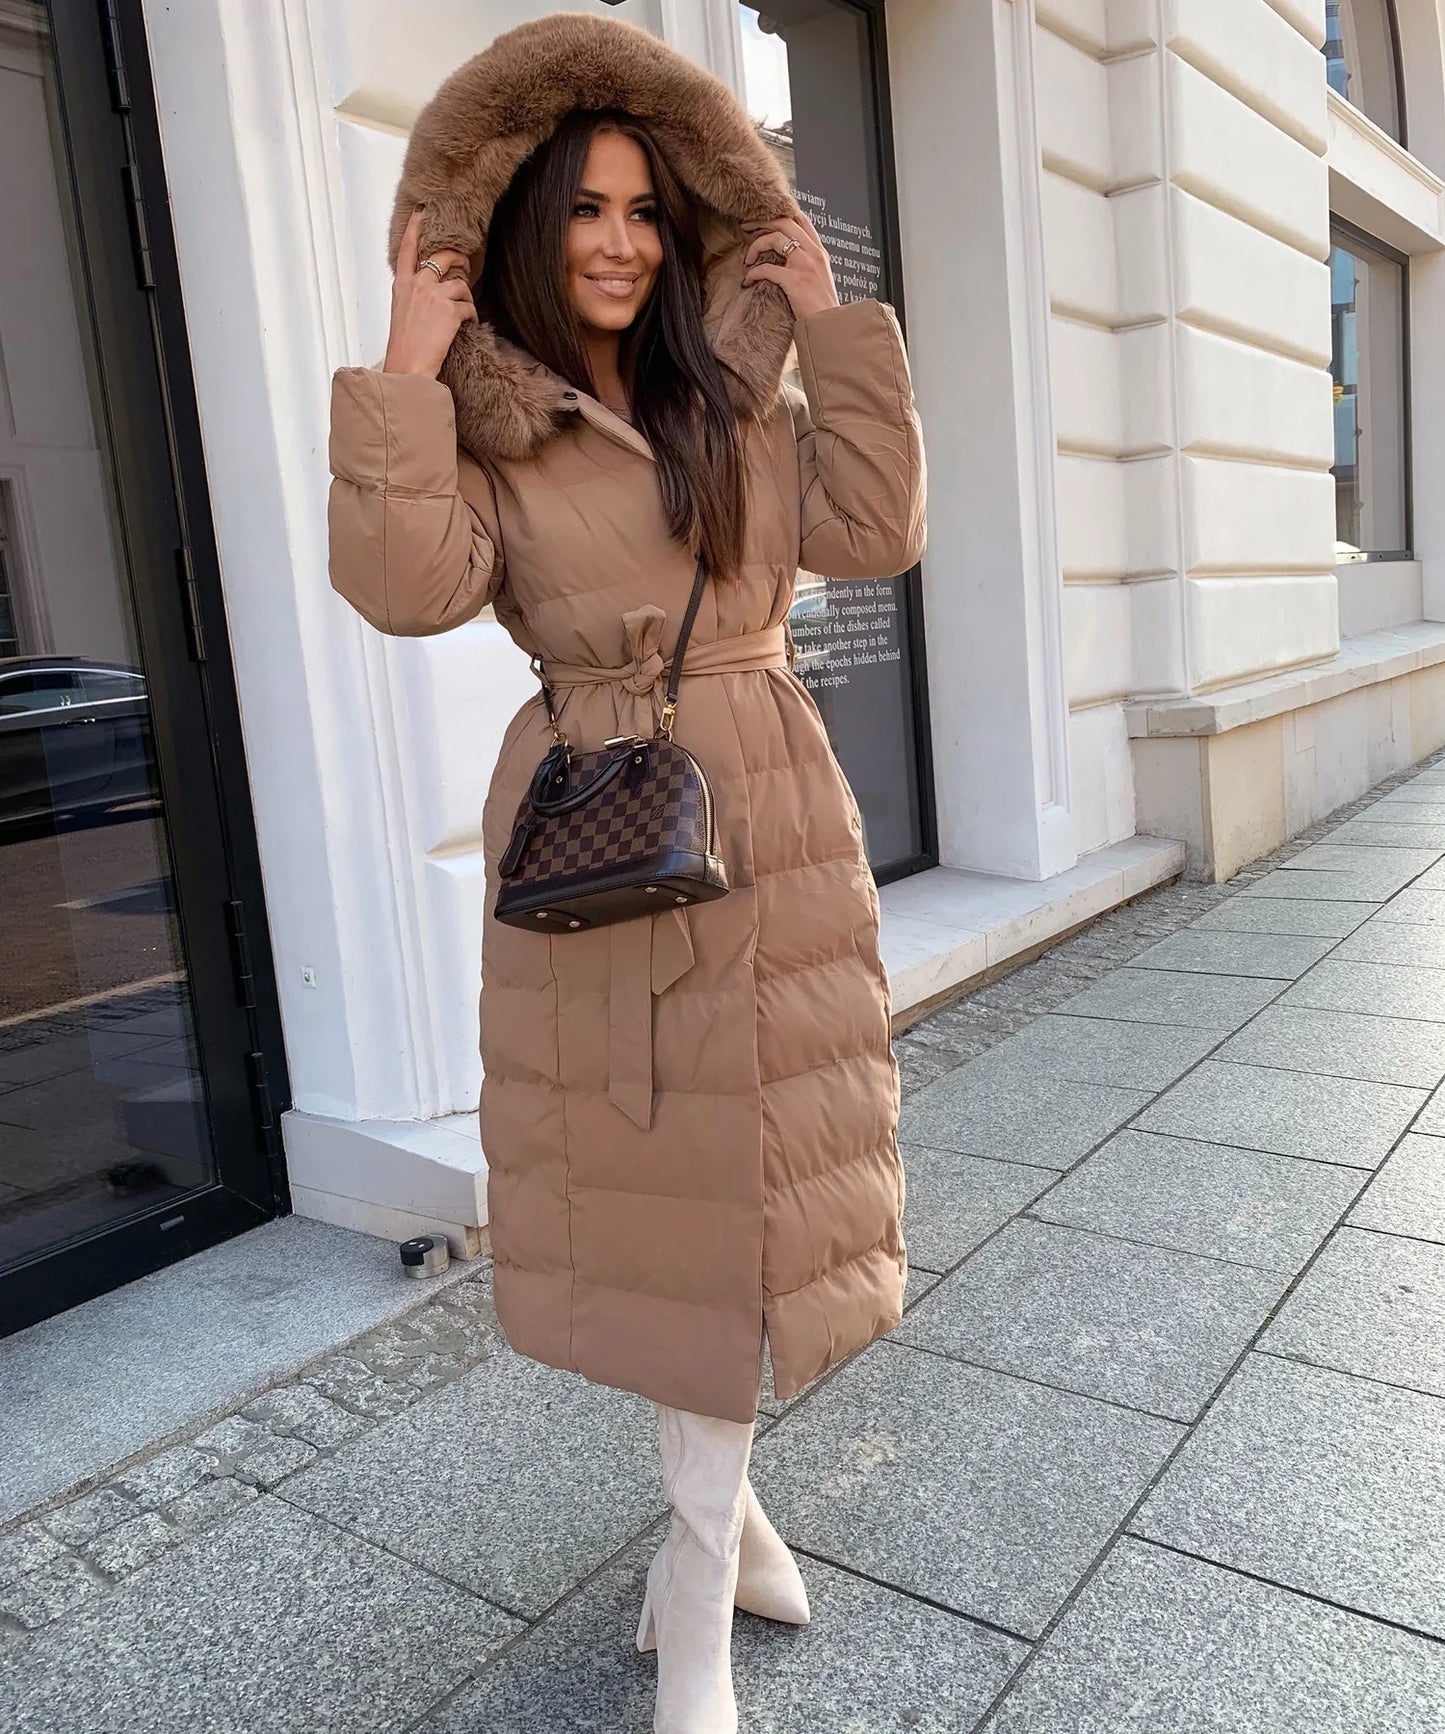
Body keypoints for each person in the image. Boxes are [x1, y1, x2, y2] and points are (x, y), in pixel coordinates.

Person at [326, 13, 926, 1731]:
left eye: (647, 209)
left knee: (763, 1195)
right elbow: (406, 586)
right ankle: (708, 1575)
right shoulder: (484, 417)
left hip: (769, 808)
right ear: (523, 222)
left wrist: (833, 328)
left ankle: (700, 1572)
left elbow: (874, 528)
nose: (615, 239)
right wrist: (401, 358)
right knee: (674, 1207)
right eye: (582, 207)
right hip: (600, 813)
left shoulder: (730, 388)